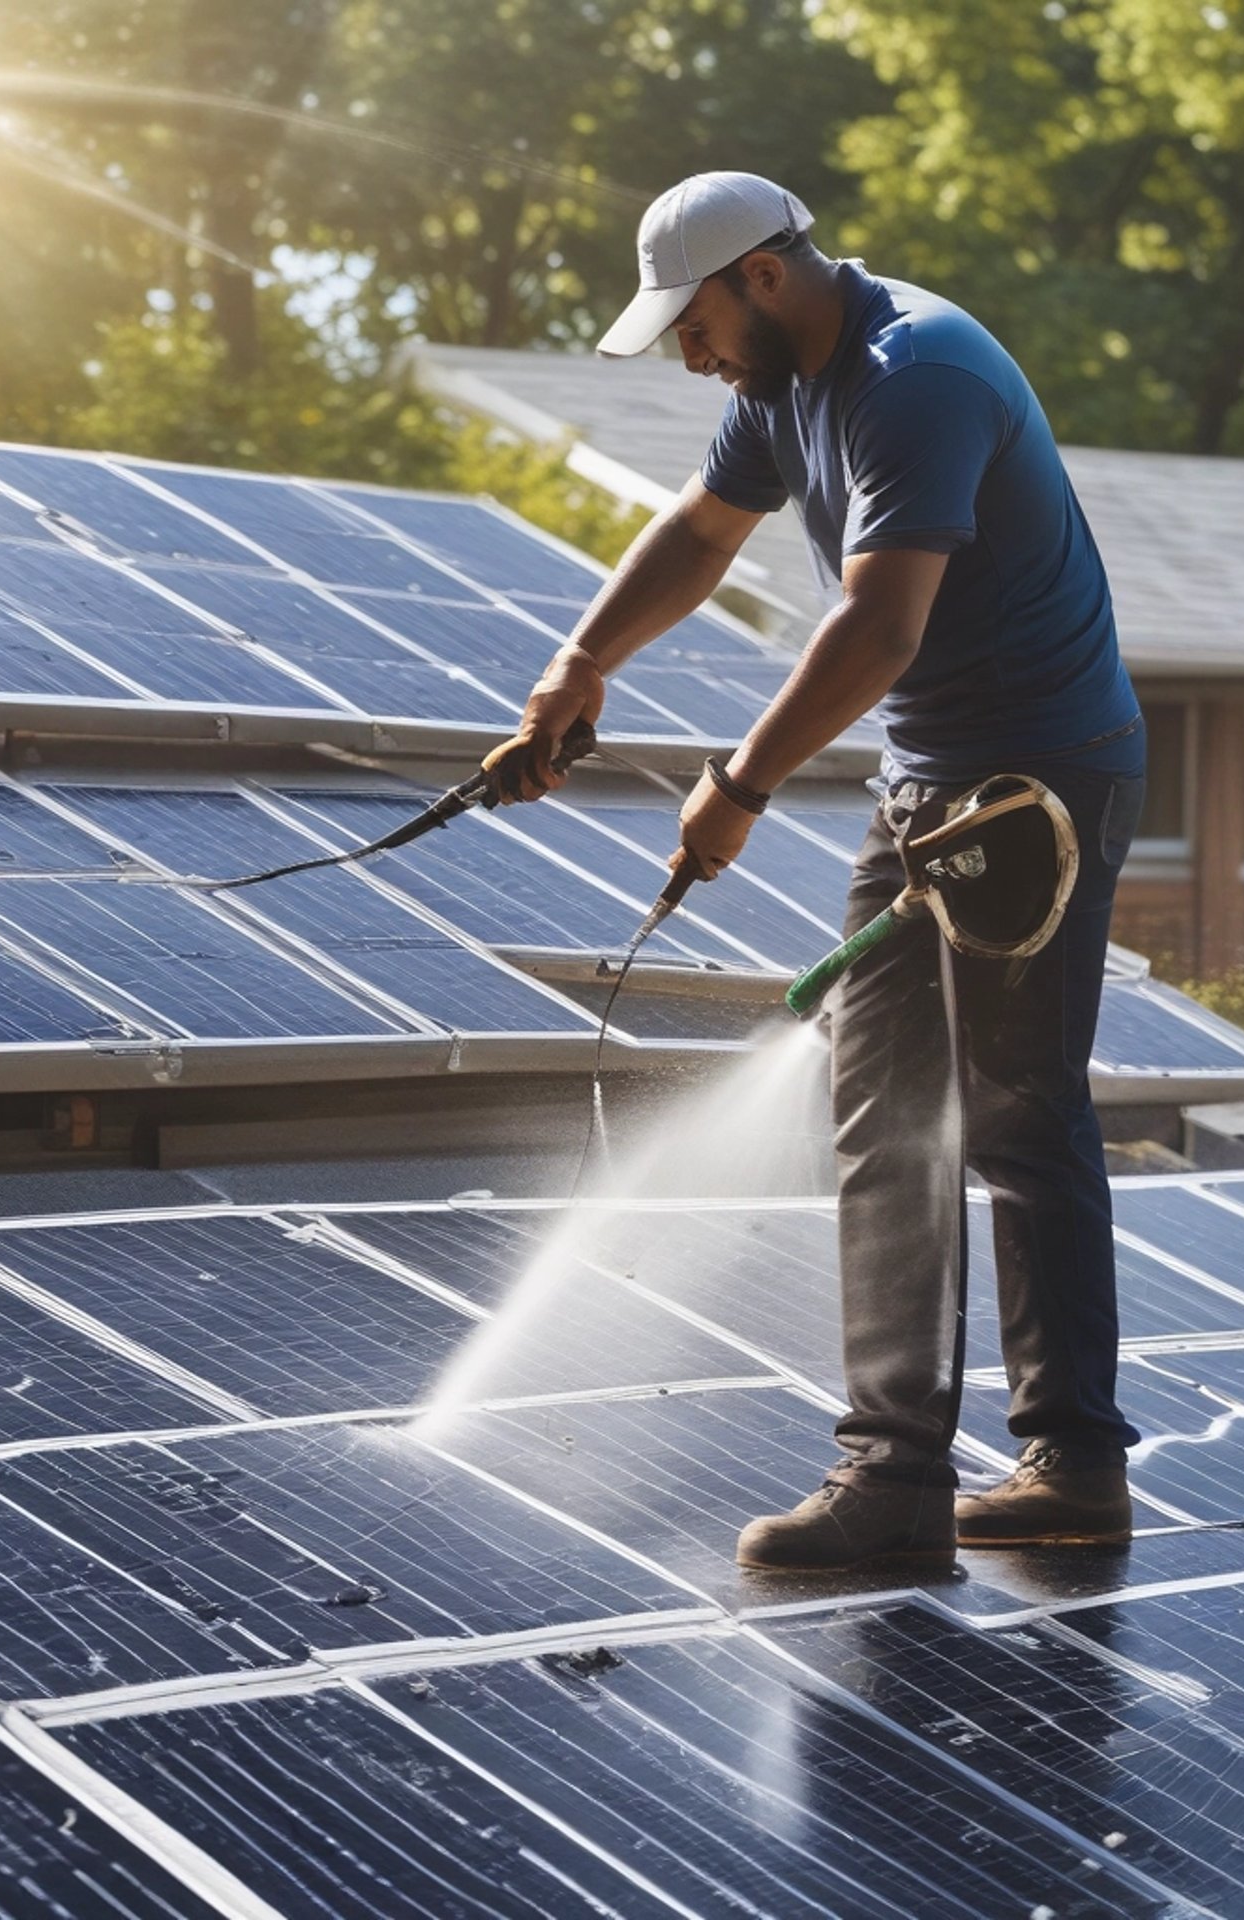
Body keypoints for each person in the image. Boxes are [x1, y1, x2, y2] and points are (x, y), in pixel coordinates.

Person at [483, 170, 1145, 1569]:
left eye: (695, 319)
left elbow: (879, 627)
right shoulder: (780, 386)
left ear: (766, 277)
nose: (689, 350)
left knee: (1019, 1109)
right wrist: (579, 662)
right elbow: (701, 534)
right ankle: (895, 1480)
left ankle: (1075, 1466)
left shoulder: (921, 374)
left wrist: (739, 786)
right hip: (927, 777)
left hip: (1044, 775)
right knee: (882, 1106)